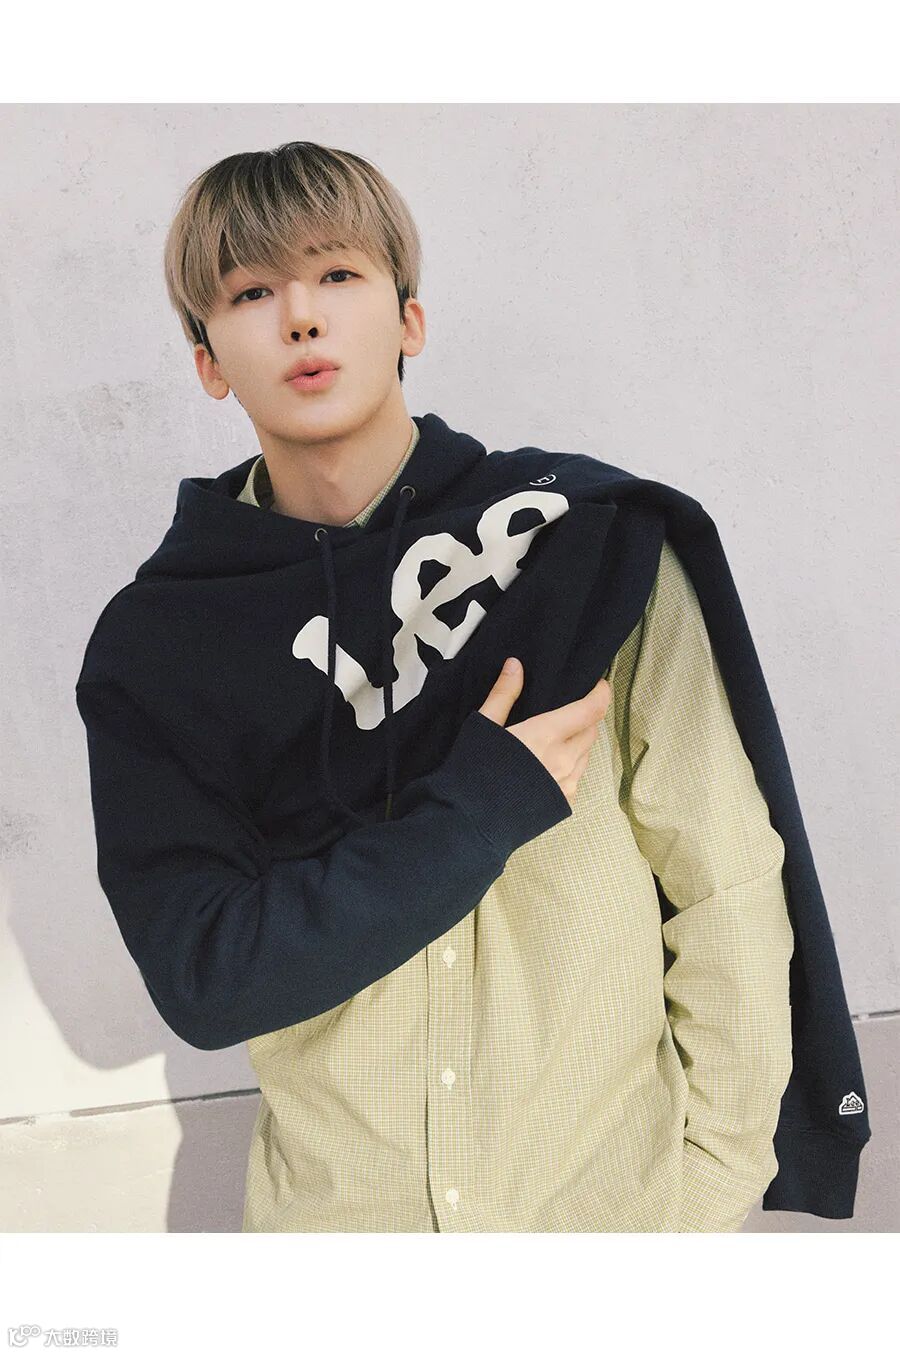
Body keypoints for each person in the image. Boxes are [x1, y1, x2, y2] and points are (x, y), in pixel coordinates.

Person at [75, 140, 869, 1233]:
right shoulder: (166, 645)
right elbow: (207, 976)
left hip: (616, 1221)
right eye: (252, 292)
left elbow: (725, 873)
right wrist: (480, 809)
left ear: (409, 319)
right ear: (209, 360)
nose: (300, 316)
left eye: (337, 273)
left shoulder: (577, 548)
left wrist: (708, 1181)